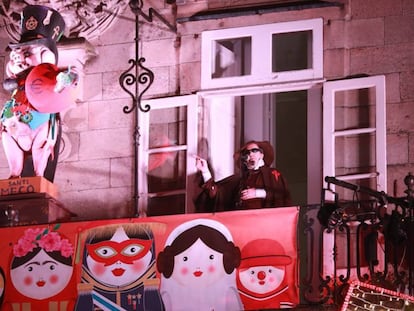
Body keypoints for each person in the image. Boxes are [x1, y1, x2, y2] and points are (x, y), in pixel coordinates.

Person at [195, 140, 292, 212]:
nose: (251, 154)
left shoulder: (272, 174)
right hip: (242, 225)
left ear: (261, 155)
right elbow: (216, 193)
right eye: (247, 152)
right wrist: (205, 171)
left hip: (264, 225)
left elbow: (282, 195)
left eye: (254, 150)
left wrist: (258, 193)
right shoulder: (239, 179)